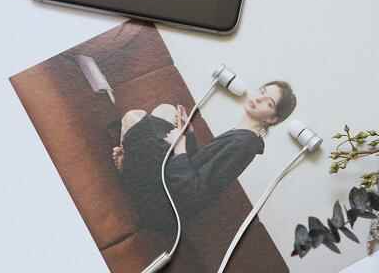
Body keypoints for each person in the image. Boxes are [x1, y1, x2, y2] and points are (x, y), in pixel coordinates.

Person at [112, 81, 297, 231]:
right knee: (166, 111)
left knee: (132, 117)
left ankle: (128, 170)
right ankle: (130, 162)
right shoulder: (242, 135)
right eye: (262, 91)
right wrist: (189, 133)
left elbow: (193, 192)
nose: (259, 98)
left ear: (272, 119)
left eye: (268, 102)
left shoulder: (244, 145)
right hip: (172, 184)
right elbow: (198, 165)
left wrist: (180, 146)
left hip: (164, 205)